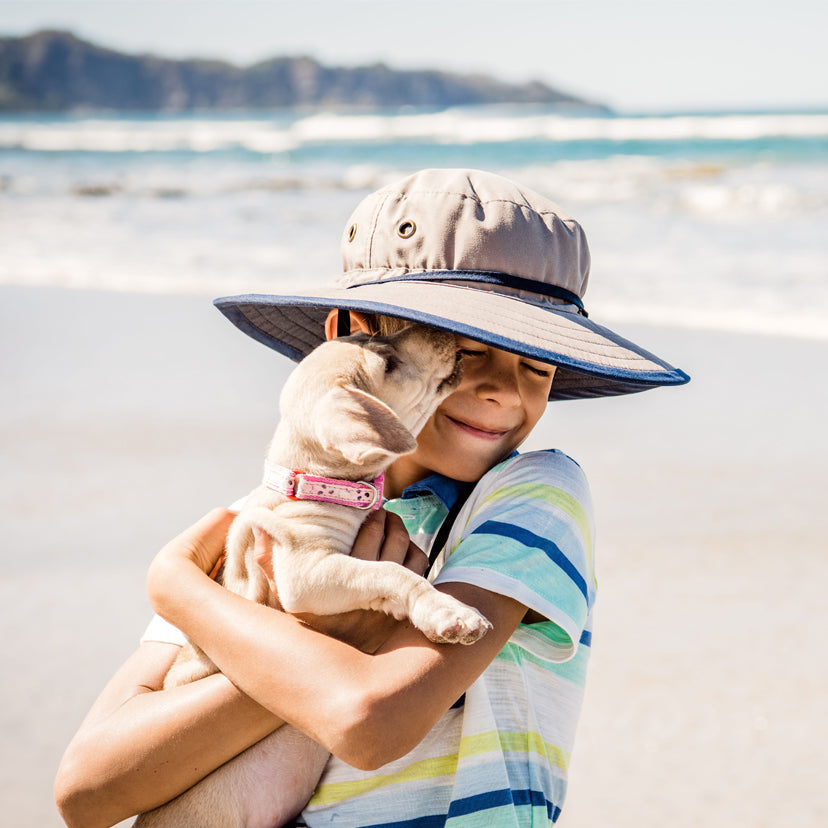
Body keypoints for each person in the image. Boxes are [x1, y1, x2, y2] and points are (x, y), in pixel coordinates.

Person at [55, 168, 689, 827]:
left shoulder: (529, 497)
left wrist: (181, 592)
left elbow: (371, 723)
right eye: (467, 350)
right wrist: (332, 630)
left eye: (537, 364)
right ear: (355, 329)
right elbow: (87, 791)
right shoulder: (269, 517)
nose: (505, 391)